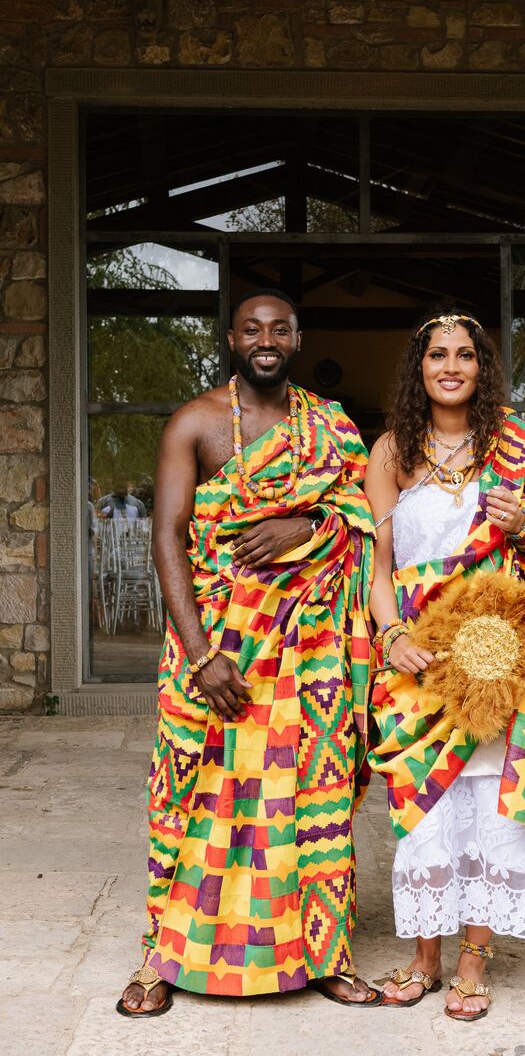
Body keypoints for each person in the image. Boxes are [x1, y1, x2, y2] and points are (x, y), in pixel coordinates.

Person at [118, 290, 380, 1016]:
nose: (266, 340)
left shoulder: (329, 428)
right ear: (232, 338)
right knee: (192, 794)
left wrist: (306, 522)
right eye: (252, 329)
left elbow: (361, 519)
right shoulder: (195, 422)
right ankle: (159, 956)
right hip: (216, 651)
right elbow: (167, 537)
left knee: (313, 796)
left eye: (280, 329)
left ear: (297, 340)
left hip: (312, 652)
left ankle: (324, 954)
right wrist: (201, 655)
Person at [365, 311, 525, 1023]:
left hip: (493, 655)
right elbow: (375, 565)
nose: (450, 365)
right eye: (436, 354)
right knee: (421, 805)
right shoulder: (389, 453)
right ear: (418, 367)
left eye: (465, 355)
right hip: (416, 654)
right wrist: (389, 636)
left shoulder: (517, 445)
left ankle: (473, 961)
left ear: (482, 368)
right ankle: (422, 958)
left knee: (490, 806)